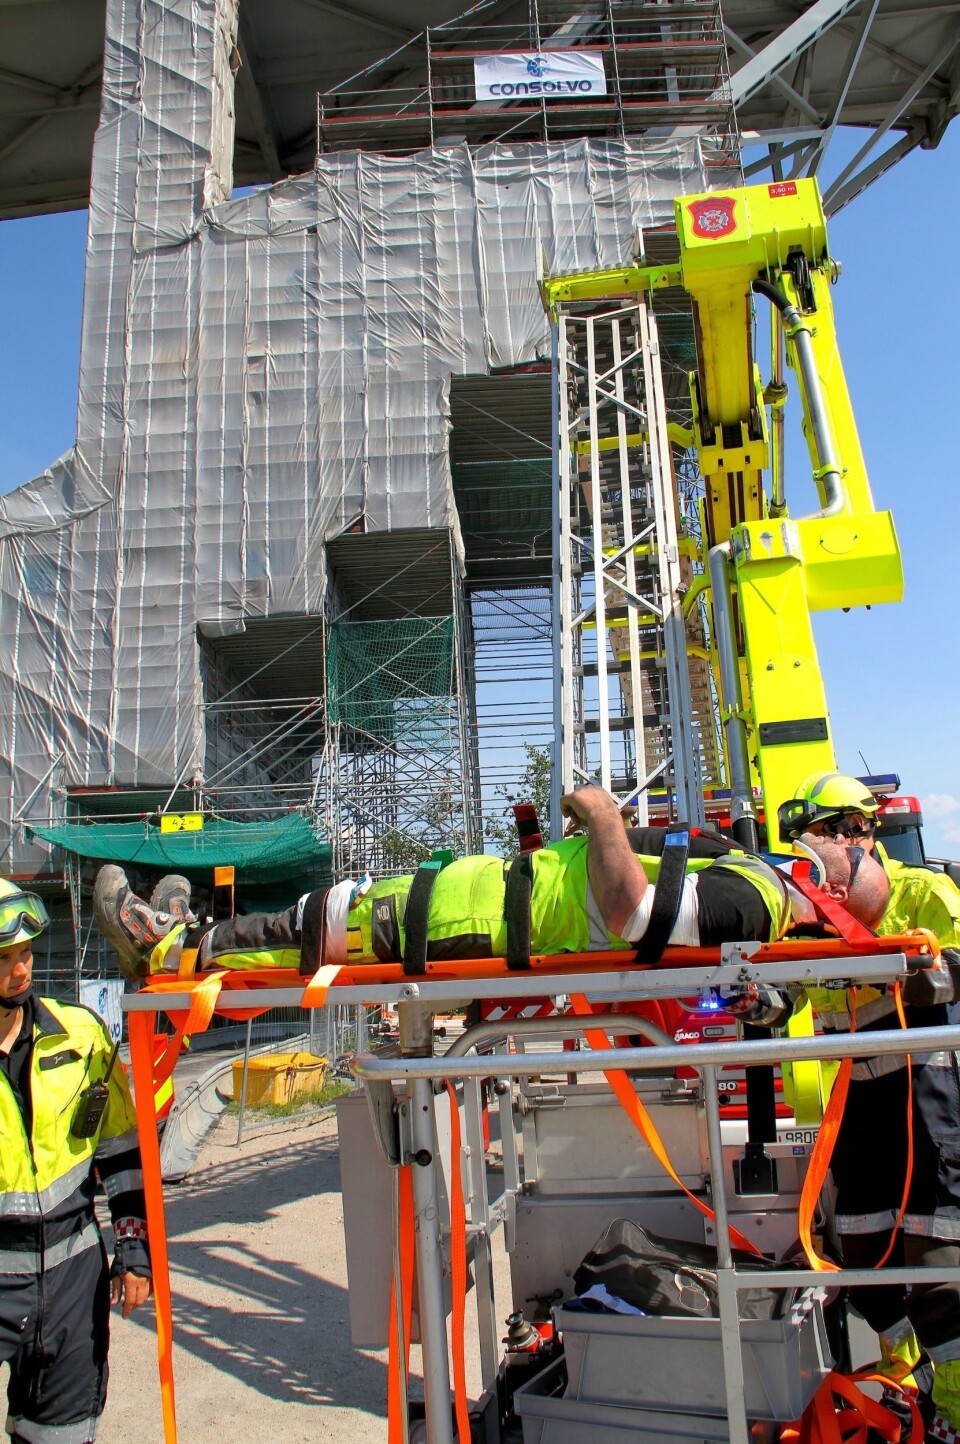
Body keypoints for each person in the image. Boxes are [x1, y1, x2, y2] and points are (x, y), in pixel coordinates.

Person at [93, 785, 890, 986]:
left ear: (840, 888)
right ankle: (189, 937)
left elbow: (636, 914)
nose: (847, 837)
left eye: (858, 846)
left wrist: (603, 816)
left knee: (334, 926)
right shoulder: (756, 873)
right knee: (340, 913)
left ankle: (169, 951)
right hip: (493, 898)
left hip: (486, 920)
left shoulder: (757, 900)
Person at [781, 772, 960, 1443]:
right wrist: (760, 1000)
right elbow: (788, 990)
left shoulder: (922, 893)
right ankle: (911, 1385)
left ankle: (955, 1413)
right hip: (856, 1102)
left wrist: (920, 972)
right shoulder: (810, 908)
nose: (813, 854)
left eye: (823, 837)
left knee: (939, 1270)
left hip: (928, 1095)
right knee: (862, 1263)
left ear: (858, 831)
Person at [0, 880, 152, 1444]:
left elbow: (121, 1151)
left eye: (25, 954)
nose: (21, 970)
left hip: (71, 1279)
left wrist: (133, 1249)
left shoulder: (82, 1036)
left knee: (59, 1437)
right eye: (3, 959)